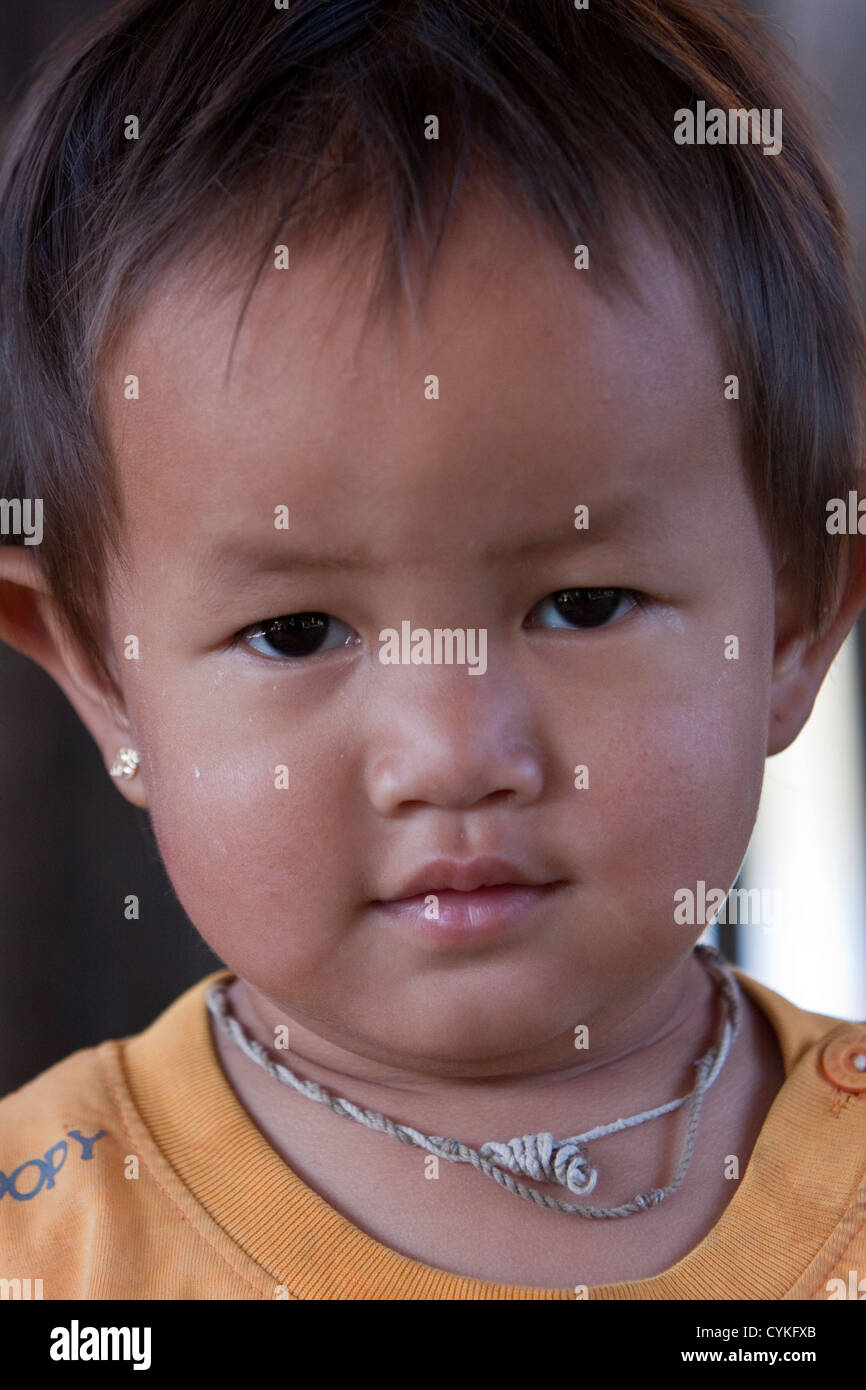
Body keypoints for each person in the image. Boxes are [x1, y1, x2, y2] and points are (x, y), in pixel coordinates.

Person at [1, 0, 865, 1300]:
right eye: (297, 630)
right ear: (102, 679)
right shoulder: (53, 1246)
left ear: (795, 621)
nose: (454, 753)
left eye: (580, 605)